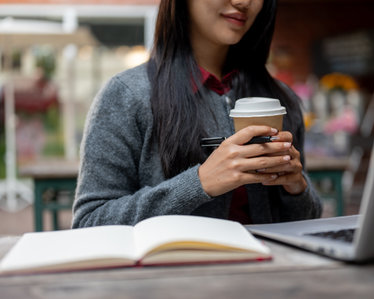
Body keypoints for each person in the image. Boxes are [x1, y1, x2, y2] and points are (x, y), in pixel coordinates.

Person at [72, 0, 322, 228]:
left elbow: (306, 223)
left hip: (274, 271)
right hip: (174, 274)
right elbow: (89, 222)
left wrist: (297, 188)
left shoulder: (279, 99)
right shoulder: (127, 95)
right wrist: (198, 183)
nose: (243, 2)